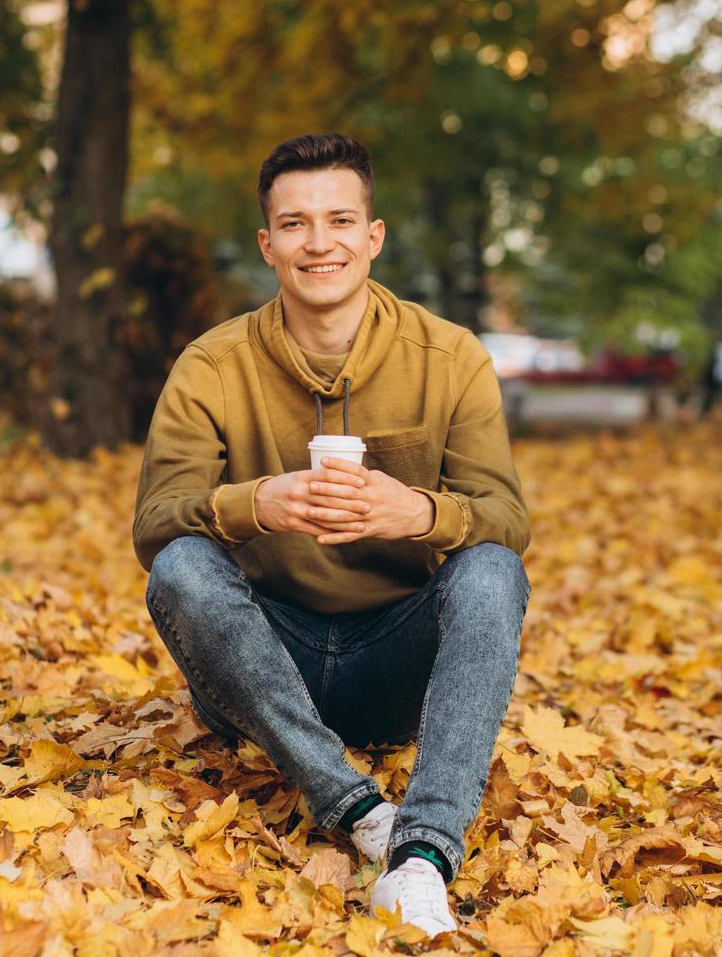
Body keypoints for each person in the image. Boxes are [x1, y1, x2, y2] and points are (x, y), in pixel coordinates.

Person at [133, 133, 531, 936]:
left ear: (373, 237)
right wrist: (255, 503)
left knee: (492, 571)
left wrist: (418, 512)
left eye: (341, 220)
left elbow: (507, 519)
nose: (320, 242)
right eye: (296, 224)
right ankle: (356, 810)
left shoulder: (450, 357)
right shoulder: (211, 365)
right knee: (181, 565)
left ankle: (422, 854)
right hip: (260, 667)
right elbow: (154, 523)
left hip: (395, 663)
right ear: (268, 244)